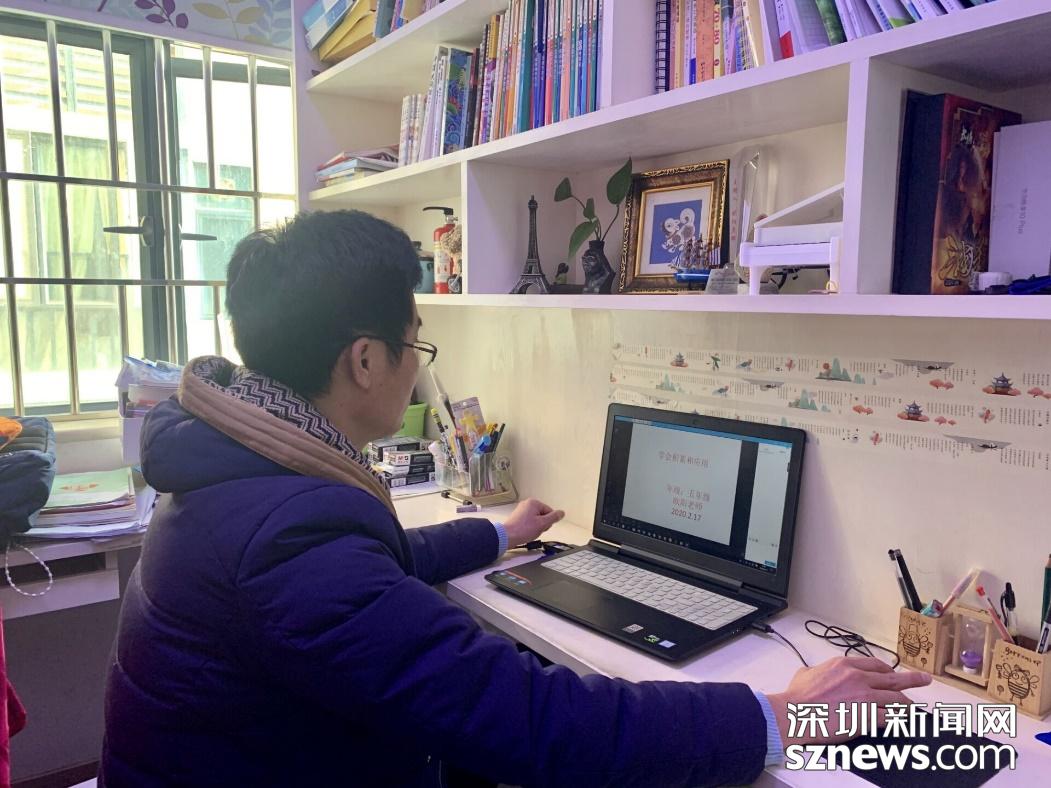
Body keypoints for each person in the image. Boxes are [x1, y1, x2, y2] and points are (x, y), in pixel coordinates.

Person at [100, 210, 930, 787]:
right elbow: (533, 719)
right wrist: (779, 714)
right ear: (365, 360)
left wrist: (498, 536)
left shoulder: (235, 467)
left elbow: (372, 566)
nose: (416, 365)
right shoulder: (290, 536)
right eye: (415, 343)